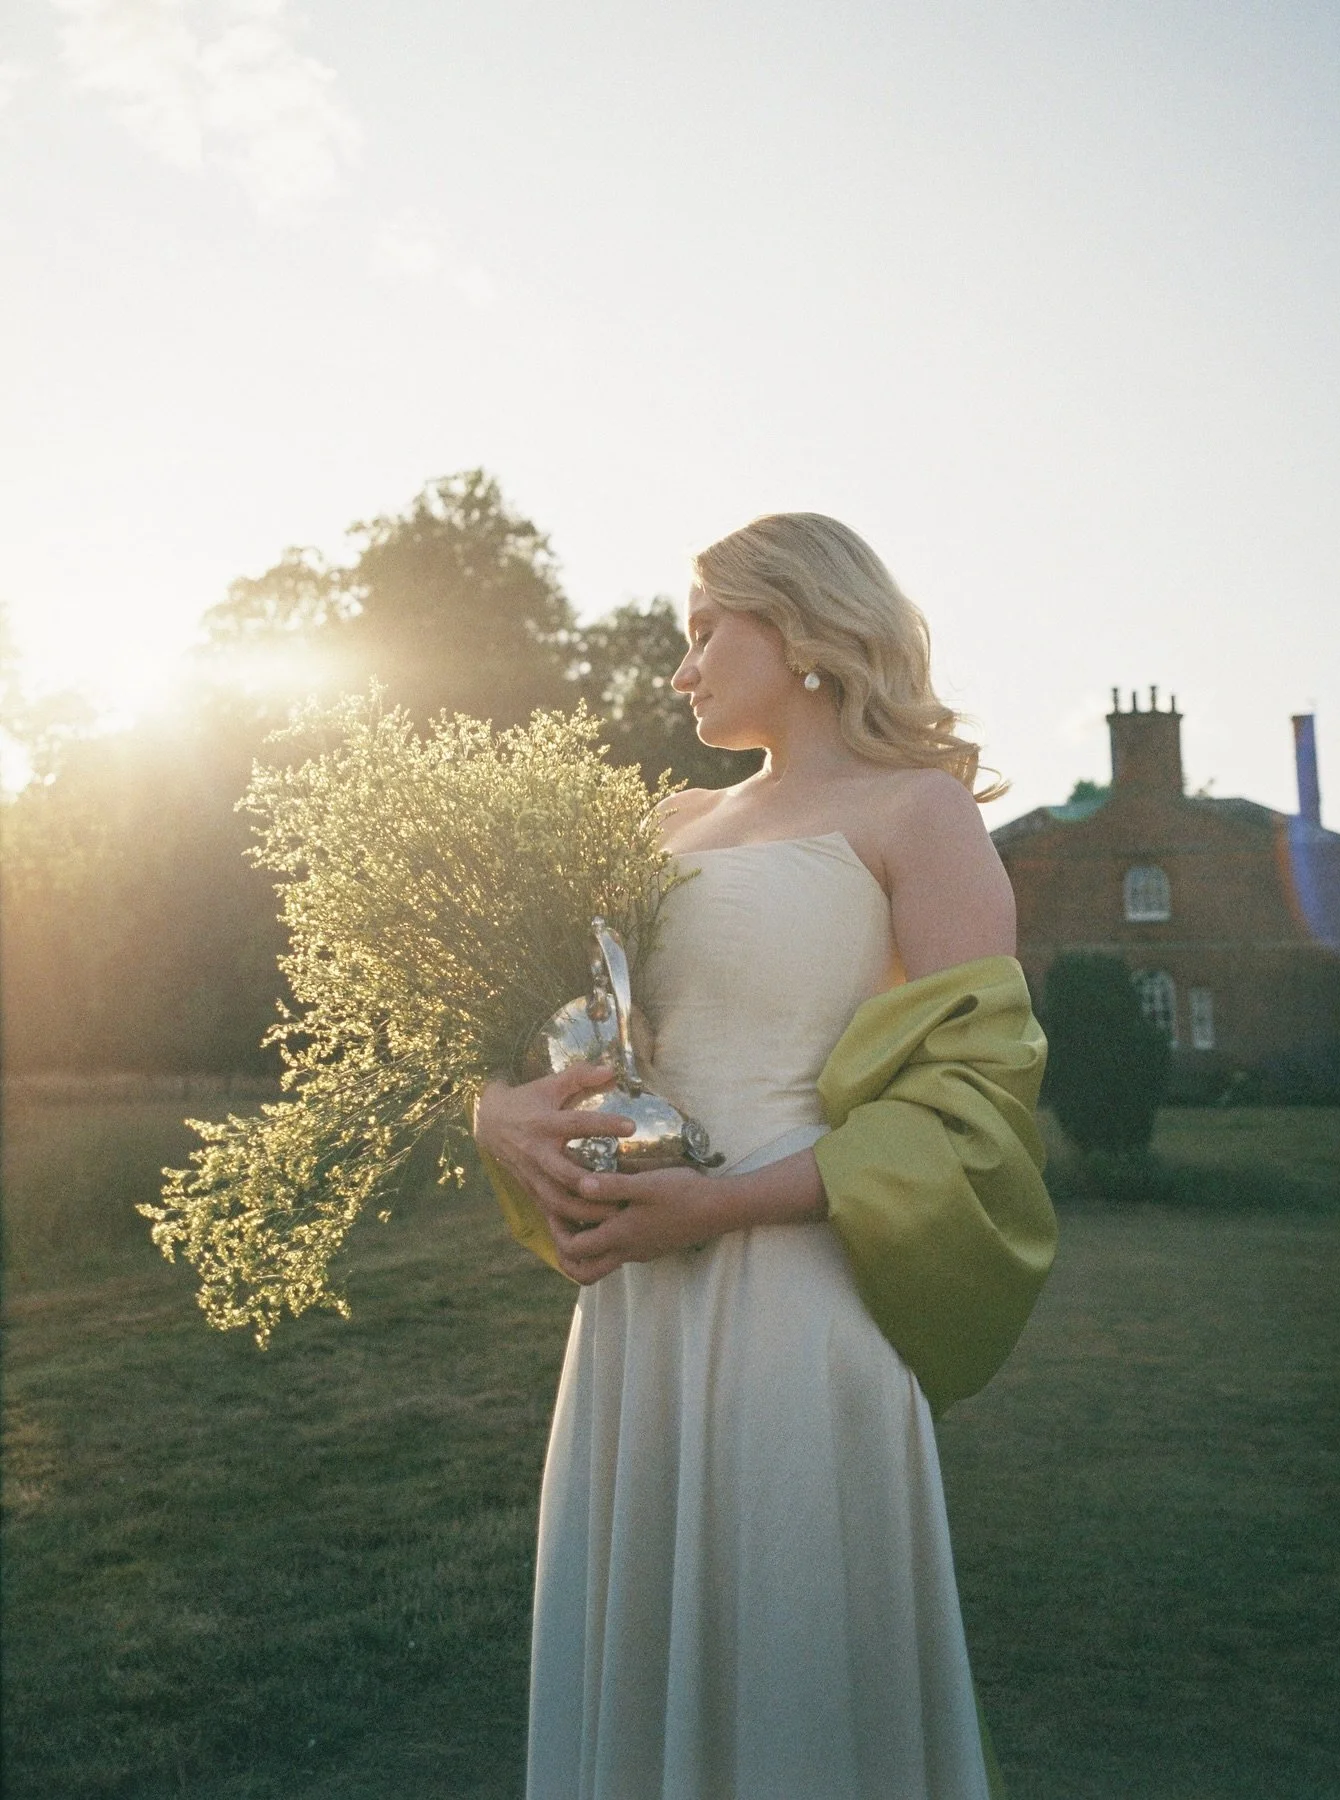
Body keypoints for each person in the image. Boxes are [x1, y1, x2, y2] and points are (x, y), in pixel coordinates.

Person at [472, 513, 1057, 1800]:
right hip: (640, 1308)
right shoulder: (660, 822)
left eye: (698, 635)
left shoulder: (922, 811)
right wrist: (493, 1107)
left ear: (796, 628)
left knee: (796, 1661)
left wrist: (720, 1206)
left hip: (800, 1286)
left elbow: (972, 1100)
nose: (678, 673)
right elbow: (578, 1031)